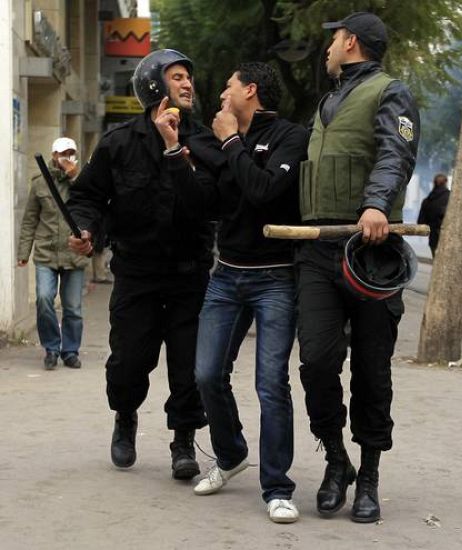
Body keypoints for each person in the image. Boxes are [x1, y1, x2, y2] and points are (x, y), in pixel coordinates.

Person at [67, 49, 222, 479]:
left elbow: (209, 202)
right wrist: (86, 231)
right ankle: (125, 418)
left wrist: (177, 151)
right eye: (177, 77)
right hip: (136, 274)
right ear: (154, 84)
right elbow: (87, 198)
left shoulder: (203, 142)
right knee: (128, 363)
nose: (188, 84)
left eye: (189, 77)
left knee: (188, 366)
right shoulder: (118, 143)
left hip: (190, 276)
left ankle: (184, 440)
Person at [296, 11, 419, 523]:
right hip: (317, 251)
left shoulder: (392, 93)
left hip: (370, 255)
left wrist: (375, 205)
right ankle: (336, 460)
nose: (326, 50)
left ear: (349, 42)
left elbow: (397, 153)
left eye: (332, 41)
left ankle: (368, 474)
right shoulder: (326, 102)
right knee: (317, 363)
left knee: (372, 370)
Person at [191, 62, 309, 524]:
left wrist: (232, 143)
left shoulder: (291, 137)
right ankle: (231, 451)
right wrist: (176, 153)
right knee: (205, 374)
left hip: (275, 277)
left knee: (270, 385)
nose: (221, 95)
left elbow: (263, 191)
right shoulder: (227, 142)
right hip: (226, 275)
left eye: (228, 86)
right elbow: (211, 204)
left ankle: (277, 488)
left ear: (251, 90)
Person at [17, 137, 89, 370]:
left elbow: (92, 205)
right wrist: (23, 252)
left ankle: (70, 351)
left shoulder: (82, 180)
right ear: (53, 155)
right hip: (46, 253)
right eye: (62, 153)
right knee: (44, 299)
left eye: (70, 153)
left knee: (73, 308)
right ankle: (51, 348)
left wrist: (75, 176)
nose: (66, 157)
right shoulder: (39, 183)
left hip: (73, 254)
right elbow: (29, 220)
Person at [417, 173, 450, 256]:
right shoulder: (451, 197)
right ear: (446, 182)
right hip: (448, 238)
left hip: (433, 238)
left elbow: (421, 221)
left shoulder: (427, 200)